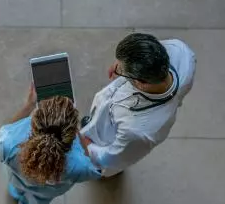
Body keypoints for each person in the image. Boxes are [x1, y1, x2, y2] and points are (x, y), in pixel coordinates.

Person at [79, 33, 197, 177]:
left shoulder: (137, 131)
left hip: (108, 141)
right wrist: (122, 63)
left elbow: (112, 157)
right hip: (110, 112)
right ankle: (93, 124)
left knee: (101, 162)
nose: (115, 68)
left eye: (120, 70)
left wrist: (88, 147)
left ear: (142, 83)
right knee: (96, 119)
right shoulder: (180, 51)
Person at [0, 86, 101, 204]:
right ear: (70, 136)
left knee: (15, 187)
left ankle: (15, 194)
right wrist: (79, 133)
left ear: (34, 122)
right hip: (45, 195)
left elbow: (7, 130)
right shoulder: (79, 167)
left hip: (17, 180)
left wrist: (29, 105)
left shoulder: (9, 144)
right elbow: (92, 168)